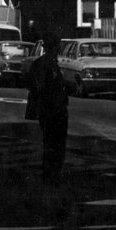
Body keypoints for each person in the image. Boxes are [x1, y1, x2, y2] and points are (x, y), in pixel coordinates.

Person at [27, 41, 70, 183]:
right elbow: (39, 87)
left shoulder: (48, 63)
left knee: (51, 143)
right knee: (54, 143)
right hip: (51, 109)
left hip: (52, 108)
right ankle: (52, 173)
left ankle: (51, 172)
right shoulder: (46, 64)